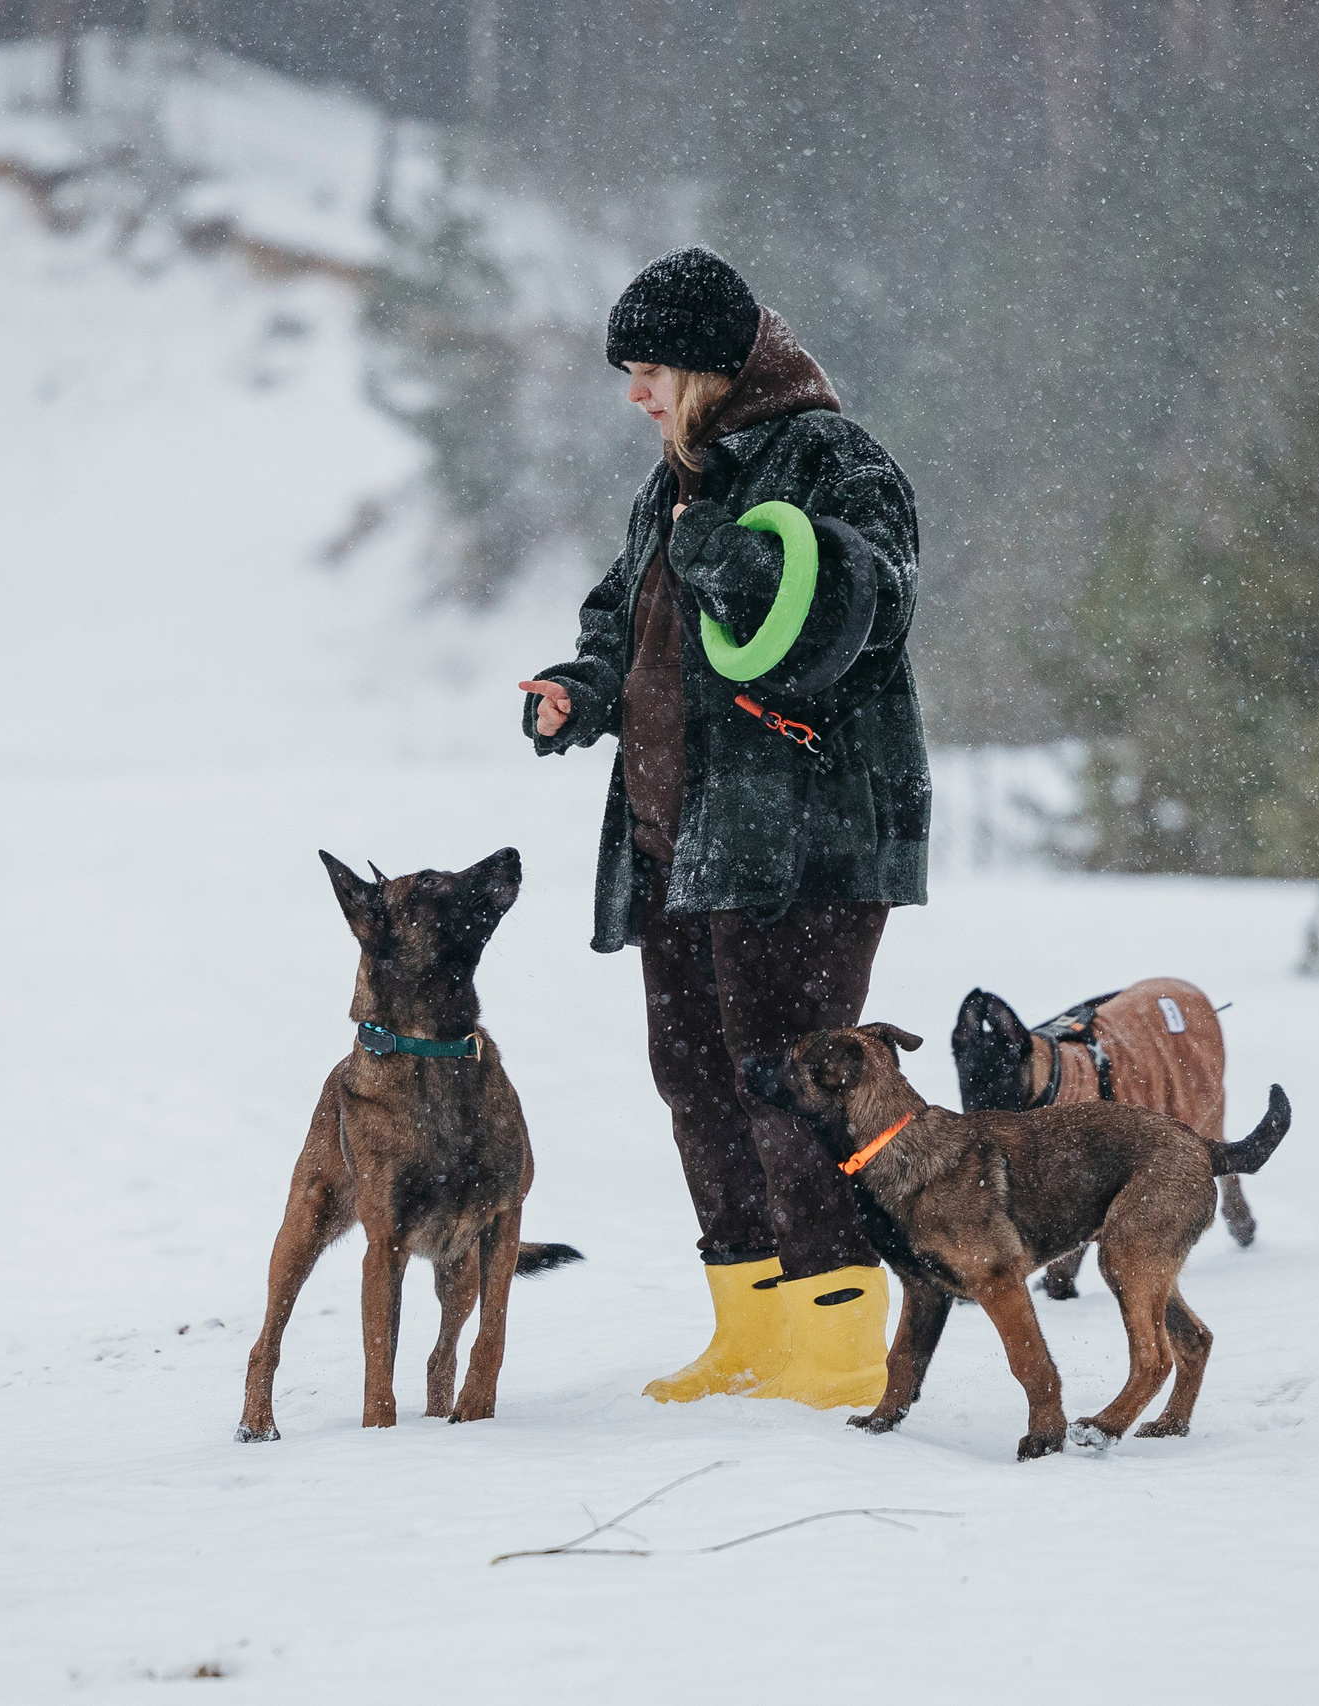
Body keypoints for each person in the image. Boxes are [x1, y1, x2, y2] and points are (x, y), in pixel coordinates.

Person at [517, 247, 930, 1409]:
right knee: (694, 1079)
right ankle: (749, 1326)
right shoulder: (678, 473)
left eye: (648, 370)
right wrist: (581, 686)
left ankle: (839, 1340)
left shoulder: (837, 461)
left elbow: (863, 616)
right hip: (676, 841)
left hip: (803, 846)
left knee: (795, 1086)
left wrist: (723, 553)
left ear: (707, 366)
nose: (635, 395)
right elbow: (624, 607)